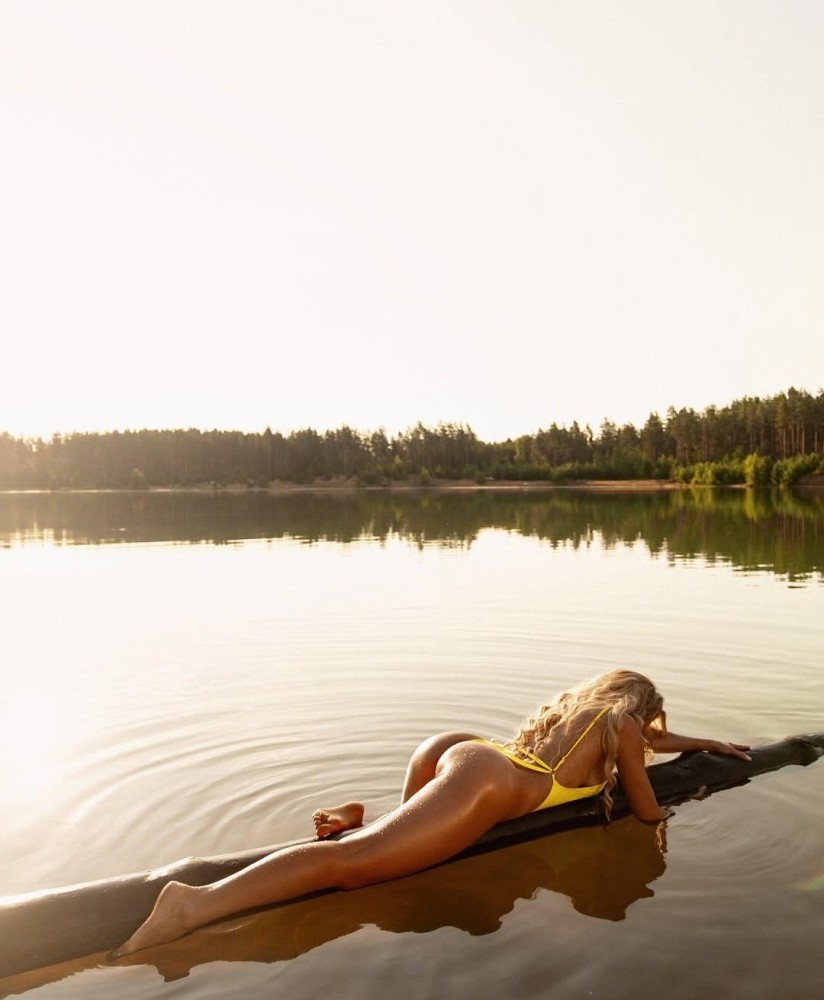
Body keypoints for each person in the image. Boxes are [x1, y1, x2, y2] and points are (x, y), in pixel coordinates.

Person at [112, 669, 749, 958]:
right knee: (355, 867)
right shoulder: (622, 731)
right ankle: (190, 904)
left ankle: (361, 816)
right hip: (488, 784)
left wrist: (704, 744)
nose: (654, 735)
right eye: (652, 724)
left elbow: (653, 741)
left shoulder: (584, 715)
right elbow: (644, 813)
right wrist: (677, 810)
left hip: (463, 751)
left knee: (387, 842)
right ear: (640, 712)